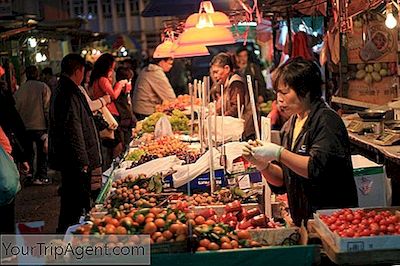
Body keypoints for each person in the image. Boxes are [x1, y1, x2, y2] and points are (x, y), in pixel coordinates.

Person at [242, 57, 358, 227]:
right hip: (304, 219)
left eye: (285, 92)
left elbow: (315, 168)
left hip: (333, 220)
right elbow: (283, 181)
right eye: (277, 93)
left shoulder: (326, 121)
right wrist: (262, 165)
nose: (279, 99)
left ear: (306, 90)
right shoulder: (291, 124)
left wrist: (279, 153)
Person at [49, 54, 102, 233]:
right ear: (78, 70)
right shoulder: (68, 92)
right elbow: (74, 128)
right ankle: (68, 238)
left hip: (71, 158)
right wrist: (83, 161)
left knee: (72, 201)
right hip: (74, 160)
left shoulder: (64, 88)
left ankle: (68, 235)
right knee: (74, 202)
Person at [0, 65, 30, 234]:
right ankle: (8, 253)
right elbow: (15, 127)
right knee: (6, 207)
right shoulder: (3, 100)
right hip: (4, 158)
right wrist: (23, 156)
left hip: (6, 155)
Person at [14, 65, 51, 185]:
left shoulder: (21, 89)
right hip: (40, 126)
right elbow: (47, 107)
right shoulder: (43, 87)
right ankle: (42, 176)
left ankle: (29, 175)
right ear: (37, 74)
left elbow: (16, 108)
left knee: (28, 151)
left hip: (24, 127)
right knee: (42, 153)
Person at [210, 52, 255, 140]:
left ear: (226, 69)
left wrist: (220, 119)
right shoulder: (226, 83)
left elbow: (236, 108)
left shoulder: (236, 83)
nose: (214, 76)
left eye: (216, 72)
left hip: (244, 132)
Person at [132, 56, 176, 120]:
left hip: (140, 109)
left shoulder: (146, 69)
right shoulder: (155, 72)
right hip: (146, 111)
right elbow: (170, 97)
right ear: (162, 62)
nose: (171, 66)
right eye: (169, 63)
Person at [115, 66, 135, 148]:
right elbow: (124, 109)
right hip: (124, 123)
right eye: (129, 80)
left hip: (128, 122)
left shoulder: (126, 94)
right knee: (125, 144)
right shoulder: (119, 93)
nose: (130, 83)